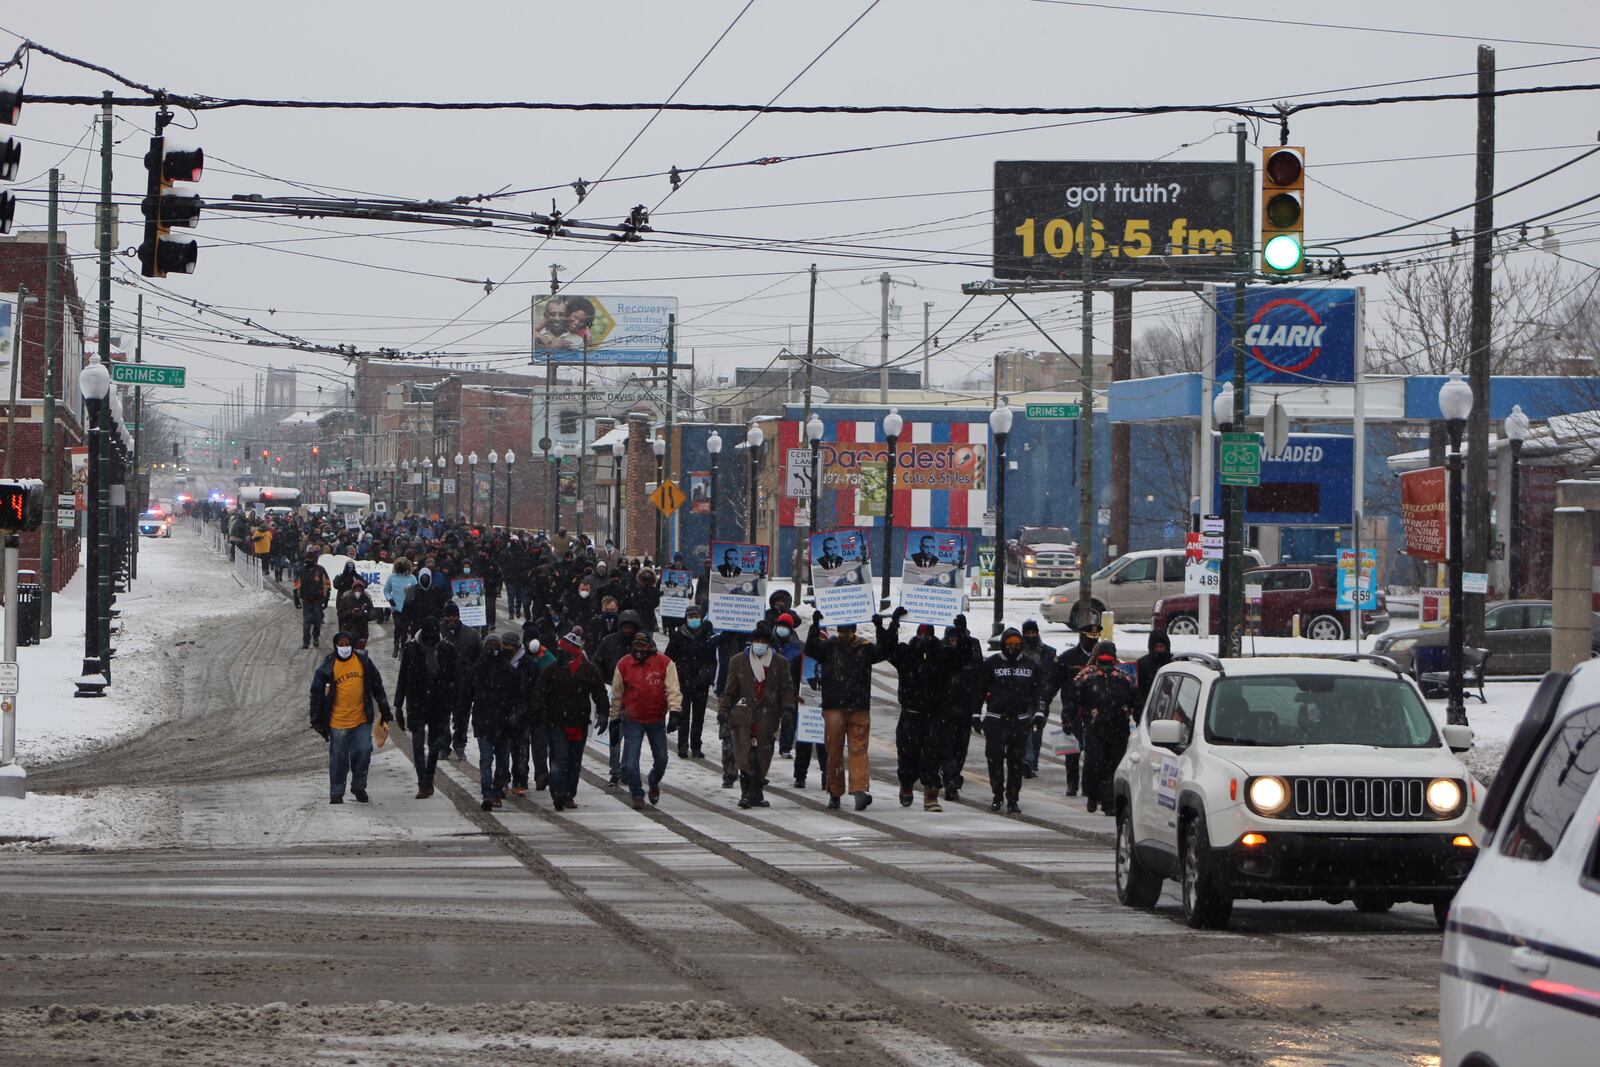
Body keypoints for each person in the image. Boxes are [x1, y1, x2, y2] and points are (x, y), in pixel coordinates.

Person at [804, 607, 902, 811]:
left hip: (840, 706)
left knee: (838, 751)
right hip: (850, 705)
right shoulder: (859, 648)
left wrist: (886, 627)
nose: (845, 634)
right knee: (852, 750)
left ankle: (840, 792)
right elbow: (885, 649)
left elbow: (885, 649)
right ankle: (850, 791)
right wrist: (885, 627)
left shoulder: (836, 647)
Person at [718, 621, 795, 809]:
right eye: (757, 640)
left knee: (763, 754)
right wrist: (723, 710)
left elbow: (786, 689)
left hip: (767, 717)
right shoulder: (738, 661)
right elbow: (730, 690)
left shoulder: (780, 663)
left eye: (763, 641)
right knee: (745, 755)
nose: (760, 644)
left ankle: (758, 792)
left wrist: (787, 709)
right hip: (743, 715)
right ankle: (746, 793)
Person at [308, 631, 392, 805]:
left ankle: (358, 786)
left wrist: (384, 706)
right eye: (341, 644)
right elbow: (316, 693)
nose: (345, 647)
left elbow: (377, 684)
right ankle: (337, 792)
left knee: (363, 751)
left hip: (361, 718)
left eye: (347, 644)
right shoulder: (327, 667)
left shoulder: (363, 662)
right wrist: (316, 717)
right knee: (338, 757)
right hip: (337, 721)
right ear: (336, 646)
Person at [973, 627, 1046, 814]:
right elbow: (979, 690)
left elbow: (1038, 693)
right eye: (1009, 645)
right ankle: (997, 794)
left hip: (1020, 720)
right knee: (995, 759)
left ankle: (1013, 797)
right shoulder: (992, 663)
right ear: (1003, 645)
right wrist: (975, 714)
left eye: (1017, 645)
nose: (1013, 648)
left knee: (1016, 761)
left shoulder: (1030, 665)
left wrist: (1038, 713)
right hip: (996, 719)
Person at [538, 628, 609, 811]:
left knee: (574, 760)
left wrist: (603, 713)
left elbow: (600, 694)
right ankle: (558, 792)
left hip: (579, 722)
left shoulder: (588, 670)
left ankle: (569, 793)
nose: (561, 654)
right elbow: (540, 695)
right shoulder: (551, 670)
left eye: (564, 651)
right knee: (559, 758)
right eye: (560, 650)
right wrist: (541, 714)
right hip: (556, 722)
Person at [609, 631, 682, 810]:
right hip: (632, 719)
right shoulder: (624, 664)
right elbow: (617, 694)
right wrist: (614, 718)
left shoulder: (665, 663)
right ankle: (637, 794)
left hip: (656, 719)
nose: (640, 651)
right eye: (637, 647)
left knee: (662, 759)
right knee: (631, 763)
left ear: (651, 647)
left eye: (643, 647)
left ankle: (653, 779)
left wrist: (674, 711)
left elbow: (672, 689)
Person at [393, 617, 458, 799]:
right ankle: (423, 780)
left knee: (435, 745)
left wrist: (453, 704)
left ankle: (429, 775)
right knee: (417, 743)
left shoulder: (447, 649)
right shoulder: (411, 649)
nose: (430, 638)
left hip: (439, 702)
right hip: (416, 700)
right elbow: (403, 678)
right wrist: (398, 705)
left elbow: (454, 678)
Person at [1074, 640, 1137, 815]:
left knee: (1114, 765)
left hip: (1118, 730)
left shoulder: (1124, 678)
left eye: (1109, 659)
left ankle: (1109, 802)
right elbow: (1074, 701)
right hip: (1095, 729)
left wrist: (1133, 715)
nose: (1105, 663)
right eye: (1102, 658)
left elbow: (1135, 702)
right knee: (1095, 764)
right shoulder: (1085, 677)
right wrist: (1074, 719)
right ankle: (1093, 796)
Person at [1041, 618, 1102, 797]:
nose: (1093, 640)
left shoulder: (1102, 657)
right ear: (1081, 637)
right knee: (1071, 749)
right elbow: (1053, 683)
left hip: (1093, 711)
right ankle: (1072, 783)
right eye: (1089, 637)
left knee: (1093, 751)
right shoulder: (1068, 658)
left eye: (1095, 637)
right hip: (1071, 709)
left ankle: (1088, 785)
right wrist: (1043, 703)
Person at [889, 621, 946, 811]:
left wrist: (961, 634)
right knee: (907, 757)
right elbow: (888, 650)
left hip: (933, 715)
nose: (925, 639)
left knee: (933, 756)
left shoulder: (940, 655)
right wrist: (891, 627)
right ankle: (906, 784)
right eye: (922, 635)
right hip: (911, 714)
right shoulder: (907, 655)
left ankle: (931, 794)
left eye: (928, 635)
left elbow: (962, 657)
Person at [465, 631, 522, 811]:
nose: (492, 649)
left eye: (495, 645)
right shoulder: (477, 670)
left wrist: (515, 716)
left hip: (503, 723)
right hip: (484, 722)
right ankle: (487, 793)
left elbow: (518, 697)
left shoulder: (510, 671)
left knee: (503, 761)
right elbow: (467, 696)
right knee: (486, 759)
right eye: (489, 645)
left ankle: (497, 789)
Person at [595, 609, 644, 786]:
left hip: (635, 696)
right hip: (613, 693)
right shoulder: (609, 642)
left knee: (631, 736)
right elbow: (597, 663)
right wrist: (602, 684)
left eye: (632, 627)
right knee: (615, 735)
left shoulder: (642, 644)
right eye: (626, 626)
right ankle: (615, 768)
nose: (629, 630)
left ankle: (624, 768)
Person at [940, 614, 985, 801]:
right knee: (947, 745)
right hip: (945, 706)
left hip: (965, 705)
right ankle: (949, 778)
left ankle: (953, 772)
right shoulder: (942, 650)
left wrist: (976, 709)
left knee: (961, 746)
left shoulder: (972, 645)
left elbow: (978, 675)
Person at [664, 603, 718, 758]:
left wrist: (707, 674)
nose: (694, 619)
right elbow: (669, 658)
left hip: (701, 683)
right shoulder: (679, 635)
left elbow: (713, 660)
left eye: (697, 617)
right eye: (691, 617)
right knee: (683, 714)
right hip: (683, 681)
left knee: (699, 717)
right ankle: (682, 745)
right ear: (686, 618)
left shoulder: (708, 636)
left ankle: (696, 745)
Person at [509, 626, 554, 795]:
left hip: (539, 709)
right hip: (526, 709)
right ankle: (522, 776)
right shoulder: (522, 660)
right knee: (523, 745)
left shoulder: (547, 657)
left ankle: (541, 774)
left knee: (539, 745)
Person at [443, 602, 482, 760]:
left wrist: (473, 678)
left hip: (464, 684)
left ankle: (459, 744)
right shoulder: (437, 632)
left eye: (453, 615)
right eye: (448, 616)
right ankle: (443, 746)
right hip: (443, 684)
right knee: (442, 717)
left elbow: (479, 659)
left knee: (462, 717)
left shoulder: (471, 634)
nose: (451, 619)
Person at [1019, 620, 1057, 778]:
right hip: (1022, 697)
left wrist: (1046, 695)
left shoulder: (1049, 652)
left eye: (1033, 633)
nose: (1031, 636)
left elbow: (1054, 677)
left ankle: (1032, 763)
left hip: (1041, 699)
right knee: (1025, 731)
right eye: (1027, 633)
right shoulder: (1018, 652)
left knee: (1036, 734)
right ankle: (1027, 762)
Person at [293, 552, 331, 649]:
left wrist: (326, 598)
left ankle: (315, 636)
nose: (309, 560)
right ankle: (306, 641)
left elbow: (326, 583)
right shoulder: (301, 570)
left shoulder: (320, 570)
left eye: (311, 558)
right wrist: (296, 599)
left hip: (318, 600)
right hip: (306, 600)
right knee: (307, 623)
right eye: (308, 558)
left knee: (317, 621)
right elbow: (297, 585)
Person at [383, 558, 418, 657]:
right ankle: (396, 644)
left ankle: (403, 647)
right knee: (398, 627)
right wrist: (390, 599)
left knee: (405, 628)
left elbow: (416, 591)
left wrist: (412, 598)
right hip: (396, 607)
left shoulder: (412, 578)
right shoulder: (392, 577)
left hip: (408, 608)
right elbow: (386, 590)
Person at [1136, 630, 1173, 716]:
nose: (1159, 650)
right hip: (1147, 709)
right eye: (1156, 647)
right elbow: (1138, 690)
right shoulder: (1142, 664)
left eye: (1161, 646)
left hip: (1169, 708)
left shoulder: (1173, 662)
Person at [337, 579, 373, 648]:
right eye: (356, 590)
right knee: (348, 653)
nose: (358, 592)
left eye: (360, 590)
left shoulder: (366, 598)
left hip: (362, 631)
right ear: (353, 590)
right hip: (348, 630)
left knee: (360, 653)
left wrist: (362, 613)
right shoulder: (346, 598)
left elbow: (372, 614)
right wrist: (350, 613)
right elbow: (340, 614)